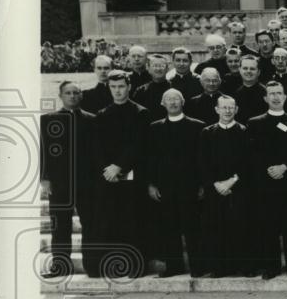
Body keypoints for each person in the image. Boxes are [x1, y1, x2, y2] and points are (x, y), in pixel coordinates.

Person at [87, 71, 150, 278]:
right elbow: (96, 148)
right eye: (113, 87)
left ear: (129, 86)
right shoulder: (103, 114)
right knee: (110, 222)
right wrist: (107, 169)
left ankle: (136, 267)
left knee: (133, 221)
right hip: (109, 178)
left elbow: (138, 145)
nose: (118, 91)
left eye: (121, 86)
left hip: (133, 177)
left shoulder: (140, 112)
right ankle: (111, 266)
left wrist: (119, 166)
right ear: (109, 88)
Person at [145, 89, 205, 277]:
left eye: (176, 99)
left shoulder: (197, 126)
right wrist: (151, 184)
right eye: (168, 100)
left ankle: (197, 267)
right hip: (165, 186)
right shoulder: (155, 128)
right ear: (163, 104)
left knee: (193, 227)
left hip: (190, 185)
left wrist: (203, 184)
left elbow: (201, 159)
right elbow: (150, 159)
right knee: (169, 227)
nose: (172, 103)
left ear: (182, 102)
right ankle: (174, 267)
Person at [247, 81, 287, 279]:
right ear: (265, 98)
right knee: (268, 226)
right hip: (265, 184)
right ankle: (272, 267)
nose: (276, 97)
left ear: (285, 97)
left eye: (279, 93)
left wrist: (285, 167)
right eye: (271, 94)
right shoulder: (255, 123)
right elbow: (252, 154)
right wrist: (268, 170)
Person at [40, 81, 96, 277]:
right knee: (60, 224)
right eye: (68, 93)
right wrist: (45, 178)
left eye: (76, 93)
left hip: (86, 182)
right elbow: (43, 151)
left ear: (81, 96)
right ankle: (60, 266)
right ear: (61, 96)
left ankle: (92, 265)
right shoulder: (48, 120)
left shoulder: (91, 120)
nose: (72, 96)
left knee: (90, 222)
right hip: (59, 182)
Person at [197, 95, 257, 276]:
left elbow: (249, 162)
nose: (227, 111)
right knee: (216, 228)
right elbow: (202, 162)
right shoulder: (207, 133)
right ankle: (219, 268)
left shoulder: (244, 132)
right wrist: (215, 184)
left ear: (236, 109)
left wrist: (232, 181)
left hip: (239, 187)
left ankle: (244, 267)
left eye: (231, 107)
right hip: (215, 190)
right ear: (216, 109)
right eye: (224, 107)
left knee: (240, 227)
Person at [132, 54, 174, 122]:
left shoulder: (175, 89)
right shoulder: (141, 91)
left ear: (167, 68)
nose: (158, 69)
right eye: (155, 66)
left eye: (162, 66)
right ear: (148, 68)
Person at [232, 55, 268, 123]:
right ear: (239, 70)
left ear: (258, 72)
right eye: (245, 68)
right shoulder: (236, 94)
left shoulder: (266, 93)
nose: (248, 71)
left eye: (252, 69)